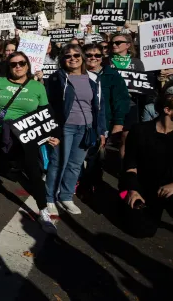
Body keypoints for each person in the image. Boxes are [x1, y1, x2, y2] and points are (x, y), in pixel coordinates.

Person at [0, 52, 61, 234]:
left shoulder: (37, 87)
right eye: (13, 64)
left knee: (34, 172)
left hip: (27, 135)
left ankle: (43, 212)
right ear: (8, 67)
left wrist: (54, 134)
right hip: (0, 131)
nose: (17, 66)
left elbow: (46, 113)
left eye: (21, 63)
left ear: (27, 65)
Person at [45, 44, 106, 215]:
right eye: (68, 56)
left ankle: (66, 196)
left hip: (86, 128)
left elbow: (100, 107)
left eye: (76, 55)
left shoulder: (94, 78)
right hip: (64, 127)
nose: (73, 58)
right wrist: (51, 129)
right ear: (62, 60)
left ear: (82, 57)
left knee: (75, 164)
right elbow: (48, 105)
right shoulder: (57, 78)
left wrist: (101, 130)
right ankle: (49, 197)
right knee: (58, 163)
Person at [119, 82, 173, 238]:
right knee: (142, 231)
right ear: (167, 110)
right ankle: (123, 199)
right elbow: (130, 165)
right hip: (143, 185)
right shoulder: (140, 130)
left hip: (170, 187)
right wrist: (132, 189)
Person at [79, 43, 130, 195]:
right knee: (78, 155)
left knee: (96, 156)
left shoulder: (111, 75)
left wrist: (118, 123)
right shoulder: (76, 74)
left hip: (103, 122)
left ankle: (92, 184)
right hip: (80, 121)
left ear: (102, 58)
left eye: (97, 55)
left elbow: (121, 100)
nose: (93, 58)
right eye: (89, 55)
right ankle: (79, 180)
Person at [106, 33, 145, 158]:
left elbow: (144, 83)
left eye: (118, 43)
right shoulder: (105, 61)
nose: (114, 45)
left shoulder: (137, 62)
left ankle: (124, 171)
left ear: (128, 45)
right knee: (105, 138)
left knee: (126, 139)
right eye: (112, 43)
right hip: (109, 105)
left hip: (130, 104)